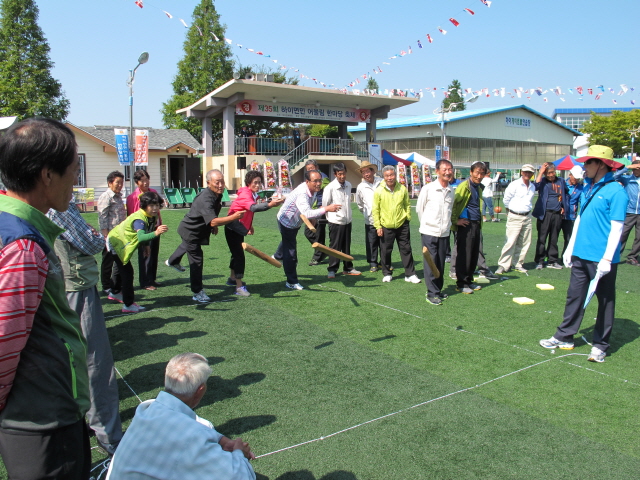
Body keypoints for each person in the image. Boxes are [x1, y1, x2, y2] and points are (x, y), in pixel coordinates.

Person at [0, 118, 91, 479]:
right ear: (46, 176)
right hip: (42, 420)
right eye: (73, 171)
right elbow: (5, 339)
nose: (76, 182)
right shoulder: (23, 245)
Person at [48, 201, 124, 456]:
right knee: (94, 361)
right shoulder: (58, 205)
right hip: (73, 288)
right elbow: (92, 242)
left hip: (49, 289)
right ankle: (108, 434)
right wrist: (91, 233)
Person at [540, 145, 628, 363]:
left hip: (602, 258)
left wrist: (607, 258)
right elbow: (579, 218)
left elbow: (617, 227)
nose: (584, 166)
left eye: (588, 162)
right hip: (581, 253)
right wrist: (570, 248)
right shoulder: (588, 187)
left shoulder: (616, 191)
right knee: (574, 296)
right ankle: (564, 336)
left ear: (600, 164)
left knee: (605, 301)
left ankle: (600, 345)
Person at [107, 353, 256, 480]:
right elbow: (242, 477)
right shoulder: (194, 435)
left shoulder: (147, 408)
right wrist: (239, 454)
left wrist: (221, 440)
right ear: (200, 390)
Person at [167, 170, 244, 303]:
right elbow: (213, 219)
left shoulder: (217, 194)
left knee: (185, 246)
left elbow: (211, 216)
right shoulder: (205, 198)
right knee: (196, 260)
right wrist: (232, 217)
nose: (220, 185)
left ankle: (172, 261)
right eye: (217, 182)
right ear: (208, 183)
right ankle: (197, 292)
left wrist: (212, 226)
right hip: (191, 231)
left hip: (194, 230)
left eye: (222, 182)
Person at [273, 169, 341, 290]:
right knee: (291, 253)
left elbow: (308, 210)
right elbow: (307, 212)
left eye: (320, 180)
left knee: (288, 241)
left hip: (295, 222)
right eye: (315, 181)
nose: (319, 183)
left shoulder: (313, 190)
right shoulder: (302, 193)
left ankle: (278, 255)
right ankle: (291, 281)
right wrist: (326, 209)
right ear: (307, 181)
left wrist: (312, 217)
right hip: (286, 221)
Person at [224, 170, 284, 296]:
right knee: (239, 256)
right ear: (248, 183)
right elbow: (253, 208)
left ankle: (232, 279)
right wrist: (271, 204)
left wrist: (249, 225)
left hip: (237, 227)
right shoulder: (246, 194)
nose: (257, 185)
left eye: (259, 183)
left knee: (236, 254)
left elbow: (249, 211)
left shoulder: (251, 193)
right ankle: (239, 287)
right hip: (233, 227)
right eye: (255, 183)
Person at [108, 192, 169, 313]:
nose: (155, 208)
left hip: (119, 242)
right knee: (127, 273)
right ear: (145, 206)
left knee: (120, 269)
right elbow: (141, 237)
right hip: (116, 242)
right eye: (151, 205)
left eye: (157, 204)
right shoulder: (139, 220)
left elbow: (146, 232)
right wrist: (156, 233)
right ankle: (128, 305)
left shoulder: (152, 216)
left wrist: (146, 246)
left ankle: (114, 292)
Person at [372, 166, 420, 284]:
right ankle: (387, 273)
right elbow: (375, 209)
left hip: (402, 224)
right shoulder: (379, 190)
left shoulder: (402, 188)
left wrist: (407, 217)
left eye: (392, 175)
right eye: (387, 175)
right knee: (386, 250)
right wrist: (378, 226)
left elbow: (407, 204)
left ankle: (410, 274)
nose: (390, 178)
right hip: (386, 225)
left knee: (406, 249)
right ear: (384, 177)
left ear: (395, 175)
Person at [416, 159, 454, 305]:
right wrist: (427, 225)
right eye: (444, 169)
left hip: (444, 233)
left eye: (450, 169)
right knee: (430, 263)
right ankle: (431, 293)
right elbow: (420, 209)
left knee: (440, 262)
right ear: (437, 171)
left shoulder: (451, 190)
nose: (447, 172)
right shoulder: (428, 188)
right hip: (429, 231)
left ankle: (438, 289)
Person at [450, 161, 487, 294]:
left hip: (476, 223)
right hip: (466, 224)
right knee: (464, 255)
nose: (479, 175)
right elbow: (453, 204)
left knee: (473, 254)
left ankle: (469, 280)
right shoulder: (464, 186)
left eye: (482, 173)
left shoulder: (478, 187)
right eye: (477, 172)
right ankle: (461, 283)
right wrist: (456, 220)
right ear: (471, 172)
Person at [494, 165, 537, 275]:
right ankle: (503, 265)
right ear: (522, 172)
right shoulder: (514, 185)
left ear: (532, 174)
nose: (528, 174)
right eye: (526, 172)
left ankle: (518, 263)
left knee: (524, 242)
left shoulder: (532, 186)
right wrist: (511, 211)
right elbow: (506, 200)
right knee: (510, 241)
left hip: (527, 216)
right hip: (515, 215)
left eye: (530, 172)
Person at [127, 169, 163, 290]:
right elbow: (132, 214)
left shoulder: (153, 192)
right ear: (137, 183)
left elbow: (158, 209)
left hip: (155, 227)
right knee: (144, 255)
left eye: (147, 179)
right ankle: (145, 282)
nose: (145, 182)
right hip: (143, 229)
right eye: (142, 181)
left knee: (154, 254)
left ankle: (152, 278)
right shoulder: (132, 197)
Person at [324, 162, 360, 278]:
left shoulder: (349, 185)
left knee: (346, 246)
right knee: (335, 246)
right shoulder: (330, 187)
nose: (342, 176)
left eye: (344, 173)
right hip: (335, 222)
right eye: (339, 174)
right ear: (335, 174)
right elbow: (325, 205)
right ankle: (332, 269)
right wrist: (331, 218)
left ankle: (348, 267)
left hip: (347, 221)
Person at [532, 162, 569, 270]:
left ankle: (552, 260)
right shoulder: (542, 181)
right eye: (547, 173)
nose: (550, 175)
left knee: (554, 239)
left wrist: (563, 206)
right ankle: (540, 260)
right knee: (542, 238)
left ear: (555, 171)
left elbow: (565, 193)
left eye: (552, 172)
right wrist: (541, 172)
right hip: (544, 214)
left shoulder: (561, 181)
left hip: (557, 214)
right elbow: (535, 186)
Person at [98, 170, 127, 300]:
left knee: (118, 260)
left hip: (119, 234)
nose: (120, 185)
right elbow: (102, 216)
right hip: (110, 235)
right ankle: (106, 285)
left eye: (122, 182)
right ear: (110, 183)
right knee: (108, 260)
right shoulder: (106, 196)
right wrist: (105, 235)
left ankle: (116, 284)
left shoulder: (119, 196)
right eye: (117, 182)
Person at [355, 160, 382, 272]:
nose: (366, 174)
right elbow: (359, 204)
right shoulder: (360, 187)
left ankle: (384, 262)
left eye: (367, 171)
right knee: (371, 242)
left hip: (383, 218)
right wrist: (366, 212)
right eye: (363, 172)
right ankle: (373, 263)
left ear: (372, 171)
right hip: (370, 219)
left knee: (384, 242)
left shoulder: (381, 182)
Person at [302, 160, 330, 266]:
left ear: (317, 167)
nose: (310, 170)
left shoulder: (323, 177)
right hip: (311, 210)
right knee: (309, 232)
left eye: (312, 168)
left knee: (318, 233)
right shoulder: (308, 179)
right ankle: (323, 250)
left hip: (320, 208)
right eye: (308, 169)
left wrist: (325, 204)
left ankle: (318, 256)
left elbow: (327, 189)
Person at [612, 159, 640, 265]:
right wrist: (627, 168)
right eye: (636, 168)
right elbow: (614, 177)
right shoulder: (628, 179)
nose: (638, 170)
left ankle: (632, 257)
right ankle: (616, 255)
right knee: (623, 234)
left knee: (639, 237)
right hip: (629, 211)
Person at [561, 165, 584, 256]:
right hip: (559, 215)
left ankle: (565, 256)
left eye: (578, 178)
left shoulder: (580, 188)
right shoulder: (561, 183)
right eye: (575, 177)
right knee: (553, 238)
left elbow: (582, 202)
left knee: (568, 238)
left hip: (570, 217)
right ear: (570, 175)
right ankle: (551, 258)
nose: (577, 180)